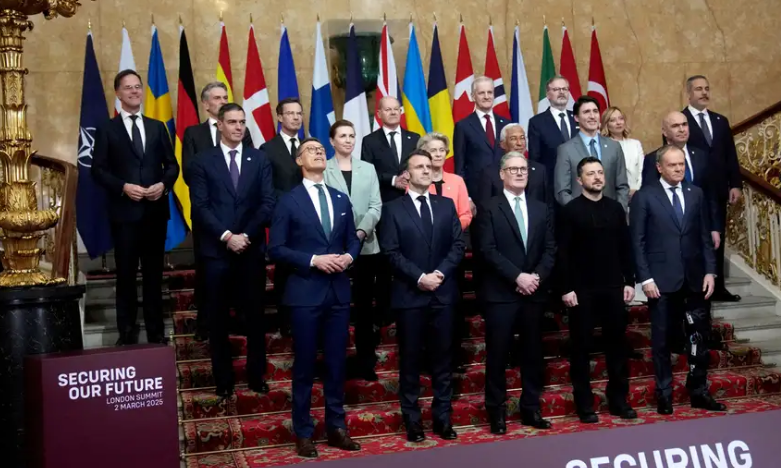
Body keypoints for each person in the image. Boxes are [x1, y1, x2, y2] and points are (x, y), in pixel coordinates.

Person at [268, 138, 361, 458]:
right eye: (311, 150)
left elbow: (353, 240)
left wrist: (349, 257)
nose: (319, 152)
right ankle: (304, 432)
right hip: (305, 294)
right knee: (305, 366)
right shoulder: (288, 201)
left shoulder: (340, 198)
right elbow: (276, 248)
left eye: (321, 149)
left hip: (338, 292)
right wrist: (313, 260)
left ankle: (336, 427)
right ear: (299, 161)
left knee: (336, 364)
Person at [630, 145, 727, 415]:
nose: (678, 169)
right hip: (660, 281)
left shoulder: (696, 193)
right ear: (659, 167)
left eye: (681, 164)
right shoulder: (645, 196)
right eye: (672, 165)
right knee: (662, 340)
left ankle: (698, 390)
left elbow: (704, 236)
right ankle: (664, 393)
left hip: (695, 279)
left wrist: (710, 271)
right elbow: (637, 242)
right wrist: (645, 278)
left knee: (699, 337)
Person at [187, 103, 275, 397]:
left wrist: (245, 235)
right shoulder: (202, 161)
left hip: (250, 249)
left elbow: (267, 203)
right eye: (233, 122)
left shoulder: (259, 159)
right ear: (220, 125)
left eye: (242, 122)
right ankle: (223, 380)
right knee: (218, 319)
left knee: (255, 316)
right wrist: (227, 236)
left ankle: (256, 376)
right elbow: (200, 207)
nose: (239, 127)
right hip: (216, 252)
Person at [378, 149, 465, 443]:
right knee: (411, 362)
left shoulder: (446, 205)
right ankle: (412, 421)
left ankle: (443, 419)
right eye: (419, 167)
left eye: (429, 166)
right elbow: (391, 251)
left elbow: (457, 245)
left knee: (443, 361)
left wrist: (438, 274)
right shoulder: (392, 209)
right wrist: (419, 277)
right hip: (410, 296)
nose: (426, 170)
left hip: (443, 293)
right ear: (407, 174)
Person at [91, 69, 179, 346]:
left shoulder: (157, 126)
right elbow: (98, 170)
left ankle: (156, 333)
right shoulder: (107, 128)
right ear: (118, 93)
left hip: (155, 213)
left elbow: (172, 165)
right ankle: (127, 334)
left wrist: (163, 185)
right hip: (124, 214)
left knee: (154, 277)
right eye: (128, 87)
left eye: (137, 86)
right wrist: (123, 187)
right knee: (126, 276)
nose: (134, 91)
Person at [475, 151, 556, 434]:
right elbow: (487, 250)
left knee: (533, 354)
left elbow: (550, 249)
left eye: (523, 169)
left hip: (534, 291)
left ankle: (531, 408)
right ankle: (496, 412)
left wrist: (536, 277)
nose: (520, 173)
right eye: (513, 169)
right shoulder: (488, 207)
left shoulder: (541, 208)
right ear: (501, 174)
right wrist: (517, 277)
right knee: (498, 355)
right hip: (501, 294)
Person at [558, 157, 637, 423]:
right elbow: (563, 253)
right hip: (582, 290)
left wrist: (630, 281)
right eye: (591, 173)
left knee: (617, 347)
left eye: (600, 172)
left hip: (613, 286)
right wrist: (566, 288)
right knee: (581, 349)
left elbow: (625, 247)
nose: (597, 177)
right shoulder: (570, 211)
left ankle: (619, 401)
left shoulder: (615, 208)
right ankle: (584, 405)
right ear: (579, 180)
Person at [182, 81, 254, 341]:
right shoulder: (194, 133)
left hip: (240, 216)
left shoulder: (242, 131)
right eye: (217, 97)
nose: (222, 101)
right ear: (205, 104)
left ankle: (241, 319)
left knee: (241, 272)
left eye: (225, 97)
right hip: (208, 216)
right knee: (207, 273)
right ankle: (206, 324)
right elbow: (189, 173)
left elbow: (249, 170)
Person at [323, 120, 382, 381]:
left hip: (366, 247)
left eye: (352, 135)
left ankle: (366, 361)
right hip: (333, 249)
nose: (348, 140)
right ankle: (333, 363)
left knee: (365, 308)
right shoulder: (323, 169)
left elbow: (376, 206)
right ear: (332, 141)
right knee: (334, 307)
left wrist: (359, 232)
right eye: (343, 136)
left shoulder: (368, 168)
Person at [681, 75, 742, 302]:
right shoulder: (681, 120)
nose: (704, 92)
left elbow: (730, 155)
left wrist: (735, 183)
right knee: (695, 238)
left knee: (718, 239)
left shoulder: (720, 120)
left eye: (707, 88)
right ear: (689, 93)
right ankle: (696, 286)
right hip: (693, 192)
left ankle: (718, 288)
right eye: (699, 89)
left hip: (718, 191)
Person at [417, 132, 472, 371]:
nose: (438, 154)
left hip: (452, 253)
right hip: (424, 254)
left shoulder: (457, 181)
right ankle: (427, 357)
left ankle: (453, 358)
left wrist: (450, 231)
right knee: (426, 308)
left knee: (453, 308)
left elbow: (466, 214)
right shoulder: (417, 180)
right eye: (433, 150)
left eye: (442, 150)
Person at [261, 97, 306, 337]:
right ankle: (285, 321)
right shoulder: (268, 149)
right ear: (279, 117)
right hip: (284, 218)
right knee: (285, 271)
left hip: (311, 219)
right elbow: (267, 188)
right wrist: (291, 204)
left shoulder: (310, 145)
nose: (296, 117)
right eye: (290, 113)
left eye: (299, 113)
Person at [554, 96, 630, 210]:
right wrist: (579, 214)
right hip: (579, 217)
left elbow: (622, 186)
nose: (592, 116)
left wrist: (618, 211)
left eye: (595, 111)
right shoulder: (565, 149)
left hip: (611, 215)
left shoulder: (614, 146)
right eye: (586, 112)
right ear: (576, 118)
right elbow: (562, 191)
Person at [453, 76, 509, 198]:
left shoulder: (506, 124)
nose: (486, 96)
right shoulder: (463, 126)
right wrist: (466, 198)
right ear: (473, 96)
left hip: (504, 188)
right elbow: (460, 165)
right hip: (477, 192)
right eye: (481, 93)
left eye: (490, 92)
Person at [476, 123, 551, 209]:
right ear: (502, 144)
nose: (519, 143)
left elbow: (548, 206)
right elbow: (484, 208)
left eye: (522, 138)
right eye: (513, 139)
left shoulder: (540, 170)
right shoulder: (489, 173)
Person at [360, 96, 420, 204]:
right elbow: (367, 173)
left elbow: (420, 166)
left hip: (412, 199)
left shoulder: (414, 138)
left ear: (400, 112)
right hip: (384, 201)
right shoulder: (369, 141)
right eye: (388, 109)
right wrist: (393, 180)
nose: (393, 112)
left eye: (396, 109)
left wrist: (409, 175)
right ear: (379, 114)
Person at [527, 75, 578, 187]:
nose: (561, 92)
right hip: (551, 183)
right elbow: (535, 158)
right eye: (556, 89)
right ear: (548, 94)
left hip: (579, 182)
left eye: (564, 89)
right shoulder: (537, 122)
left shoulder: (578, 118)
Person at [601, 106, 644, 199]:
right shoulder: (602, 147)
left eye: (621, 118)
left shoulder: (635, 144)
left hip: (637, 193)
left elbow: (642, 169)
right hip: (613, 196)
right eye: (613, 120)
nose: (618, 122)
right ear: (606, 124)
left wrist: (636, 190)